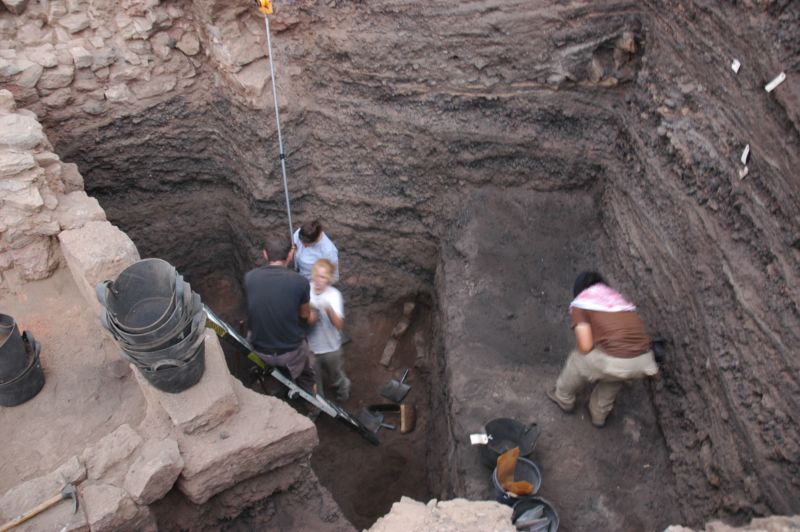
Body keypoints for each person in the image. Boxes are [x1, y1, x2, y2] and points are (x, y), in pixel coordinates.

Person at [547, 271, 658, 427]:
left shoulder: (582, 303)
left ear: (579, 291)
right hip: (643, 361)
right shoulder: (619, 302)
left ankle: (563, 397)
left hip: (615, 361)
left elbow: (585, 347)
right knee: (615, 377)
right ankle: (599, 415)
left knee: (577, 359)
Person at [244, 231, 315, 392]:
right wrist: (313, 316)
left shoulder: (250, 278)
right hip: (289, 354)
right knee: (307, 371)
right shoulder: (300, 282)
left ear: (265, 254)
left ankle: (268, 380)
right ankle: (311, 401)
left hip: (259, 350)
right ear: (290, 254)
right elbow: (304, 315)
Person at [307, 258, 351, 401]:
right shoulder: (306, 290)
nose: (319, 280)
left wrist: (328, 309)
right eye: (317, 275)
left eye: (323, 277)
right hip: (311, 349)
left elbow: (339, 325)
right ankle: (318, 405)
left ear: (329, 279)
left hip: (331, 348)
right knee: (314, 379)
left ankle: (343, 390)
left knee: (336, 376)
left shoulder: (334, 295)